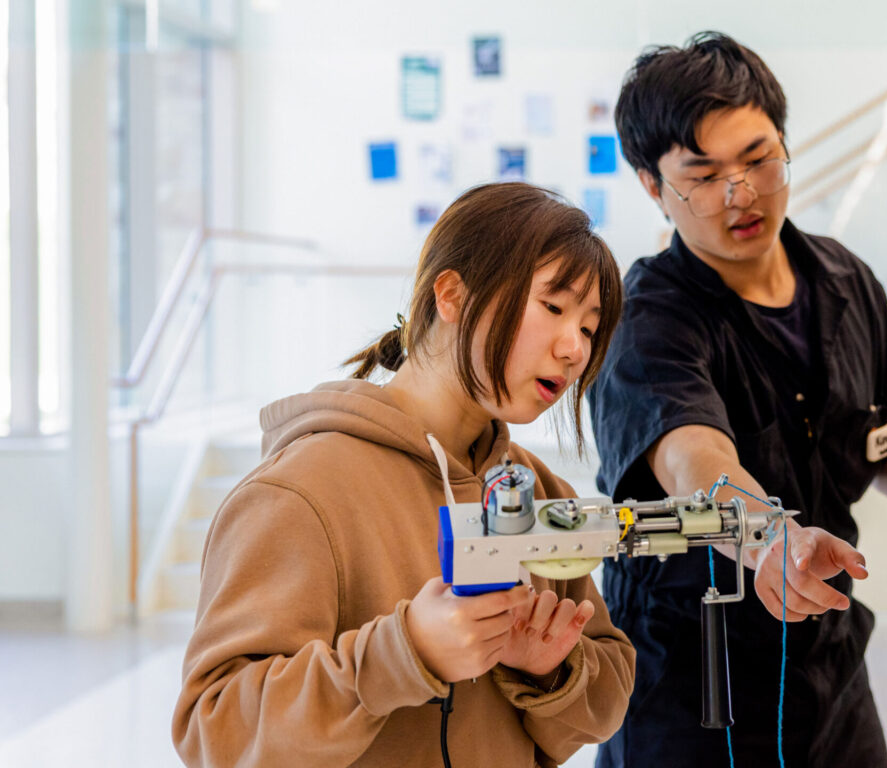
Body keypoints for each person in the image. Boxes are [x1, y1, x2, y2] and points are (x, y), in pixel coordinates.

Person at [589, 33, 887, 767]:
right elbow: (691, 456)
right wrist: (767, 537)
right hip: (690, 681)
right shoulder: (647, 319)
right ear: (652, 184)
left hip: (826, 666)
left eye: (757, 158)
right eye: (702, 176)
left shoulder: (845, 280)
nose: (740, 194)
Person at [173, 183, 635, 767]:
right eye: (553, 307)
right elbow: (217, 733)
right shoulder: (301, 491)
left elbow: (605, 698)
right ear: (452, 296)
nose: (575, 349)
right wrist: (403, 654)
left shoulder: (536, 490)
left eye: (591, 328)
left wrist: (549, 670)